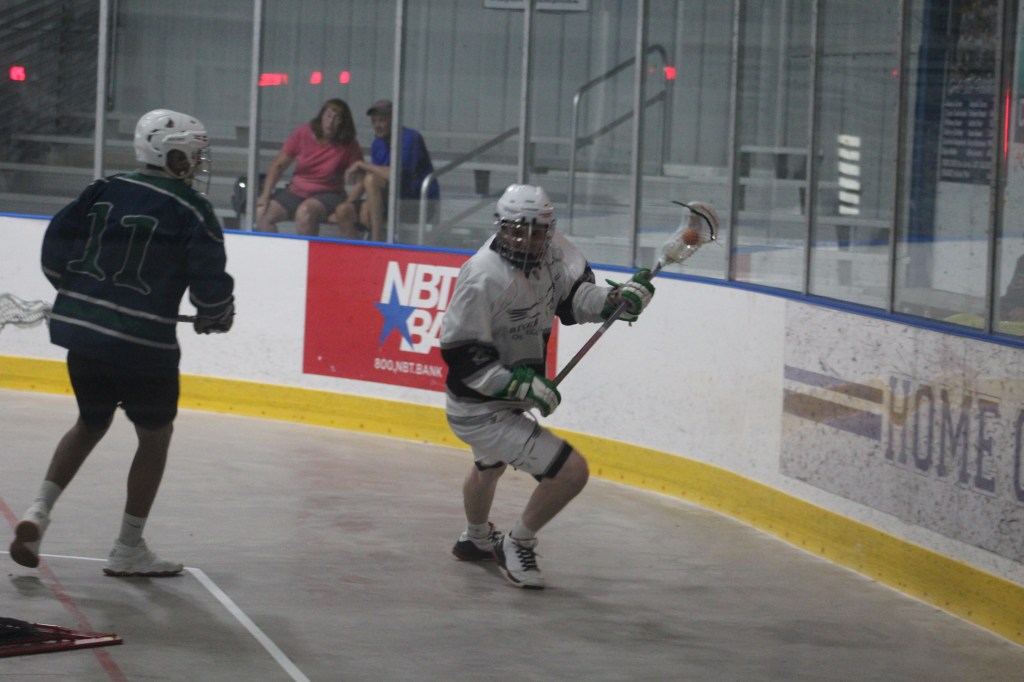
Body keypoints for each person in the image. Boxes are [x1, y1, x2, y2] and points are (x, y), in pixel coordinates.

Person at [8, 109, 235, 577]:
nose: (197, 165)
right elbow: (210, 283)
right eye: (192, 156)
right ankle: (128, 547)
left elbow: (54, 252)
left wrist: (80, 297)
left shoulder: (102, 189)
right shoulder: (192, 209)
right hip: (143, 349)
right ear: (170, 155)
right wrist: (216, 314)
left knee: (89, 423)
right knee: (155, 436)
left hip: (83, 339)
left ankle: (37, 512)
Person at [440, 184, 655, 589]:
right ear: (500, 227)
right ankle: (516, 542)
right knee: (570, 473)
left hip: (506, 397)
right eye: (517, 230)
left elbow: (573, 299)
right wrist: (520, 386)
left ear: (549, 229)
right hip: (478, 406)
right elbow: (461, 353)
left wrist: (613, 299)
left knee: (488, 467)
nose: (527, 239)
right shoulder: (482, 275)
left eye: (537, 231)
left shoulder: (556, 253)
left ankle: (475, 539)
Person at [332, 99, 439, 241]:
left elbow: (396, 175)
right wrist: (361, 203)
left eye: (382, 120)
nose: (377, 125)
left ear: (394, 121)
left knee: (371, 180)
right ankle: (356, 252)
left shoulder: (410, 138)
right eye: (374, 121)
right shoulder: (378, 143)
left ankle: (376, 243)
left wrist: (363, 165)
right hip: (389, 202)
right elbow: (375, 177)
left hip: (416, 204)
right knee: (343, 211)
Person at [255, 98, 363, 236]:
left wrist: (346, 206)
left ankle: (307, 250)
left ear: (343, 123)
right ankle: (277, 250)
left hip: (329, 194)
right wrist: (265, 195)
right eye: (328, 115)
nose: (330, 122)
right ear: (321, 116)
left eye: (337, 118)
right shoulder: (303, 133)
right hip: (296, 191)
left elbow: (360, 181)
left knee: (305, 212)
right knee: (261, 214)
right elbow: (279, 165)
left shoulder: (349, 144)